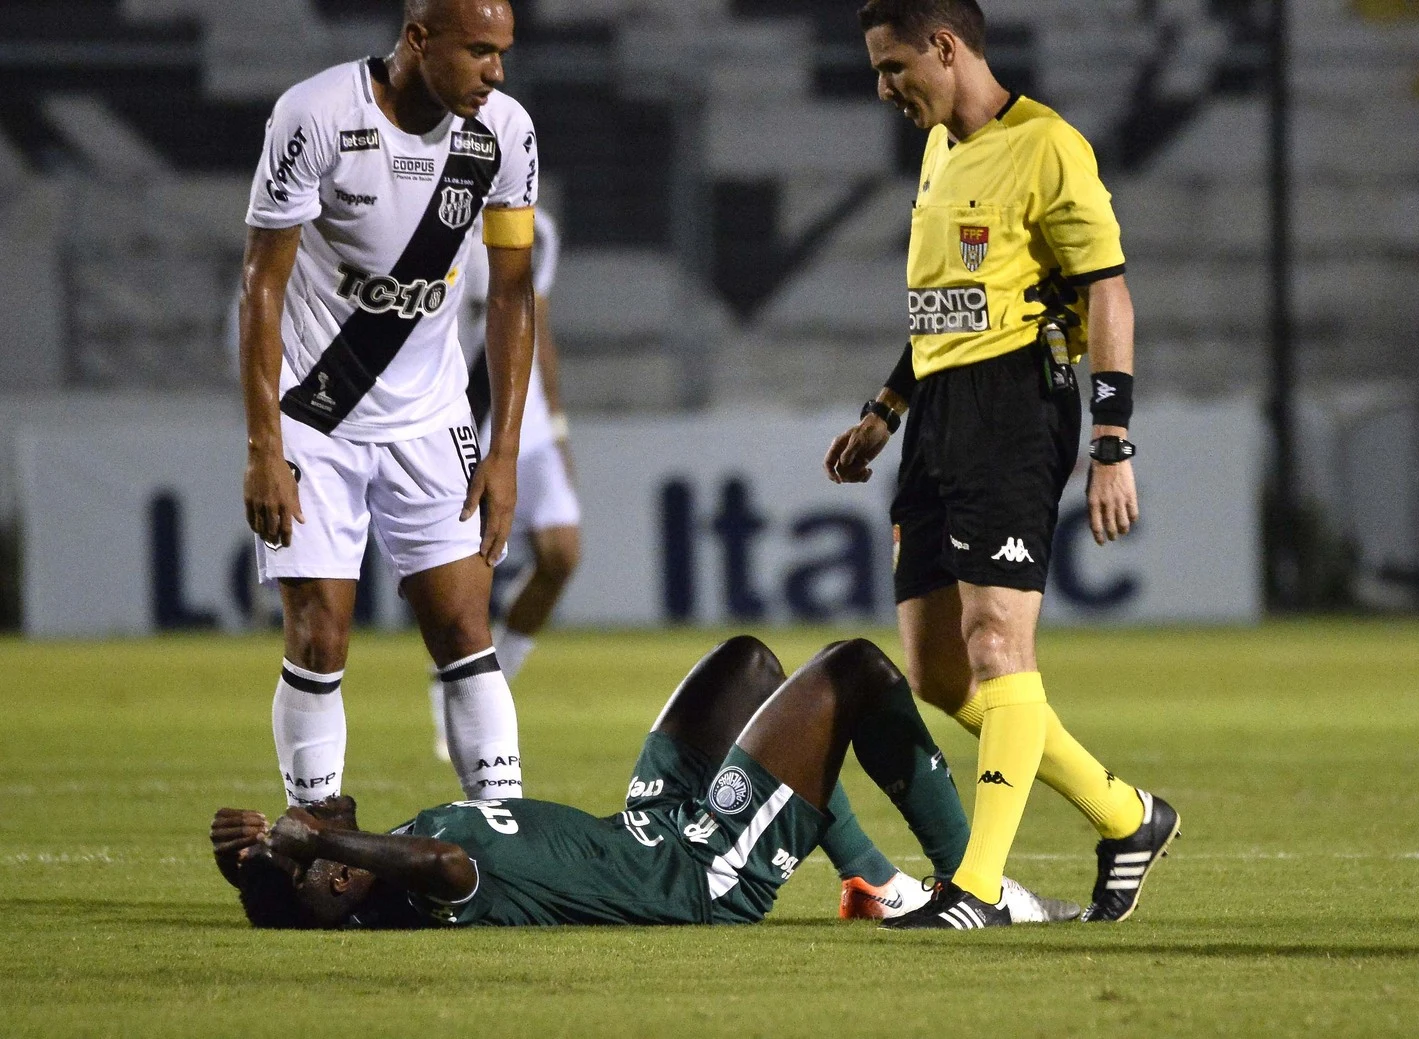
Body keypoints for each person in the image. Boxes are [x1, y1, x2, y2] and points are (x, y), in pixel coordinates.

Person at [822, 0, 1179, 928]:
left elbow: (1109, 293)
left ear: (946, 47)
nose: (883, 87)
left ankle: (973, 889)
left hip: (1017, 405)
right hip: (939, 411)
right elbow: (945, 306)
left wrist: (1112, 441)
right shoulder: (940, 149)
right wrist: (887, 408)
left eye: (894, 66)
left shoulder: (1050, 146)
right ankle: (1126, 815)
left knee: (997, 643)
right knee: (942, 672)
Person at [210, 638, 1081, 929]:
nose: (302, 821)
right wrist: (310, 844)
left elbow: (331, 855)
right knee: (855, 671)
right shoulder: (415, 891)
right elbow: (445, 864)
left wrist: (254, 864)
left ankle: (874, 883)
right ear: (333, 876)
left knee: (748, 665)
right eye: (305, 846)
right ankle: (979, 883)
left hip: (650, 825)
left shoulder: (366, 863)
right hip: (699, 874)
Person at [238, 0, 539, 806]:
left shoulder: (505, 132)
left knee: (467, 634)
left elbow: (512, 295)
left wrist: (502, 451)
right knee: (319, 636)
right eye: (479, 51)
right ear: (417, 39)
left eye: (502, 52)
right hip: (317, 416)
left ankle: (501, 834)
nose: (496, 72)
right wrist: (265, 444)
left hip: (433, 420)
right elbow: (261, 286)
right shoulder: (316, 116)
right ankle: (315, 830)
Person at [428, 210, 581, 762]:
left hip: (527, 424)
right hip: (460, 415)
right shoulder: (434, 211)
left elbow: (536, 325)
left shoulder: (537, 228)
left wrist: (558, 429)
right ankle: (456, 690)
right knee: (466, 570)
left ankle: (502, 673)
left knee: (561, 554)